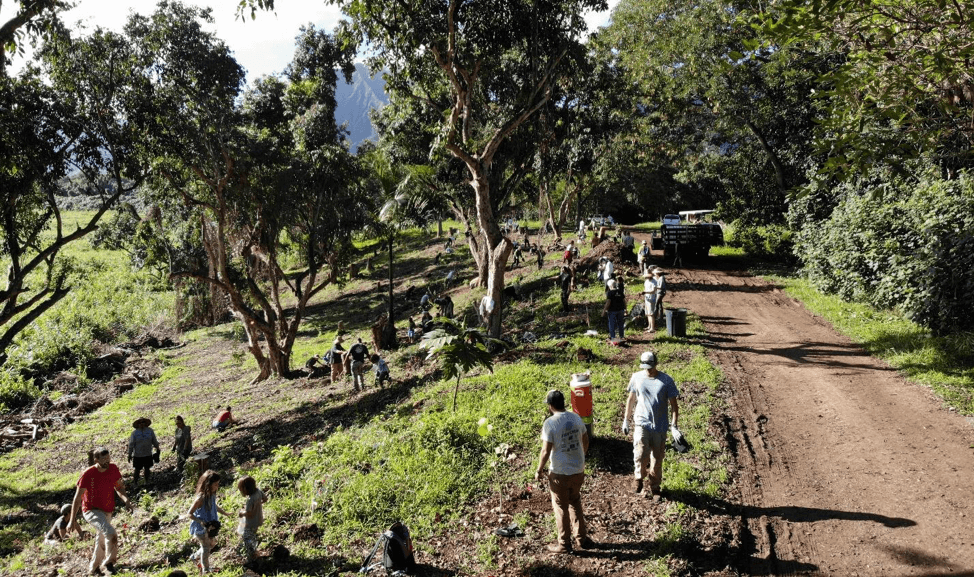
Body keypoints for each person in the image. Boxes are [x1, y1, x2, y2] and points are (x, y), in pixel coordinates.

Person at [534, 389, 592, 554]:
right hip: (578, 470)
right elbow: (585, 439)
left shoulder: (550, 423)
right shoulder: (575, 417)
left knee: (560, 507)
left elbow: (545, 451)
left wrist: (539, 470)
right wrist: (581, 457)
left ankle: (564, 544)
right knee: (575, 501)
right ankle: (582, 538)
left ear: (551, 406)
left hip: (560, 473)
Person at [621, 351, 680, 501]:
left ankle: (655, 487)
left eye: (650, 366)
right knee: (640, 453)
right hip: (642, 422)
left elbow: (674, 405)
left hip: (660, 426)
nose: (648, 369)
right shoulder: (636, 377)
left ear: (656, 364)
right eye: (645, 366)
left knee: (657, 458)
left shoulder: (666, 380)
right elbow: (631, 399)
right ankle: (638, 478)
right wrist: (626, 420)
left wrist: (674, 425)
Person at [67, 446, 134, 575]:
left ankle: (93, 568)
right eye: (104, 459)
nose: (107, 462)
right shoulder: (88, 474)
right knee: (110, 533)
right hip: (91, 511)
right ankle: (109, 564)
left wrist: (126, 500)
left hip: (107, 509)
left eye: (108, 458)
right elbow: (77, 498)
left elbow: (119, 488)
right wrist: (72, 520)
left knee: (102, 538)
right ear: (96, 460)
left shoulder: (113, 469)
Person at [187, 470, 231, 574]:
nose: (217, 486)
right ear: (208, 484)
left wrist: (224, 513)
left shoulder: (212, 495)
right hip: (201, 528)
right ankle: (206, 570)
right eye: (215, 484)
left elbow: (213, 506)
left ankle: (194, 557)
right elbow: (189, 513)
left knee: (212, 544)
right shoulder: (201, 498)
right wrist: (201, 522)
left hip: (211, 526)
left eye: (218, 484)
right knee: (206, 548)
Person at [236, 475, 267, 565]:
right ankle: (254, 551)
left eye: (240, 489)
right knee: (253, 534)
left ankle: (252, 557)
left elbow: (250, 513)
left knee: (247, 539)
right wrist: (258, 504)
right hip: (259, 519)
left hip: (250, 523)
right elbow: (265, 499)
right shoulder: (258, 492)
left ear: (245, 489)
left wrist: (242, 513)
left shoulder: (250, 500)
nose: (240, 491)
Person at [127, 417, 160, 485]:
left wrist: (157, 448)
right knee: (137, 469)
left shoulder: (150, 431)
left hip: (148, 453)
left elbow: (154, 440)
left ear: (145, 423)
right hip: (138, 454)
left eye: (143, 422)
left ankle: (146, 481)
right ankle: (135, 483)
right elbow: (131, 444)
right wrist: (129, 454)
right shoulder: (135, 433)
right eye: (140, 423)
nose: (142, 424)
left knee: (147, 468)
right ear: (138, 424)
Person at [604, 279, 627, 344]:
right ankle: (621, 336)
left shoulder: (610, 293)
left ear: (609, 286)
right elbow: (624, 301)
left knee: (612, 324)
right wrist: (626, 310)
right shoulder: (620, 291)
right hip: (621, 310)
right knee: (620, 324)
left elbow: (608, 302)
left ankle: (613, 338)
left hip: (612, 311)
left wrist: (604, 310)